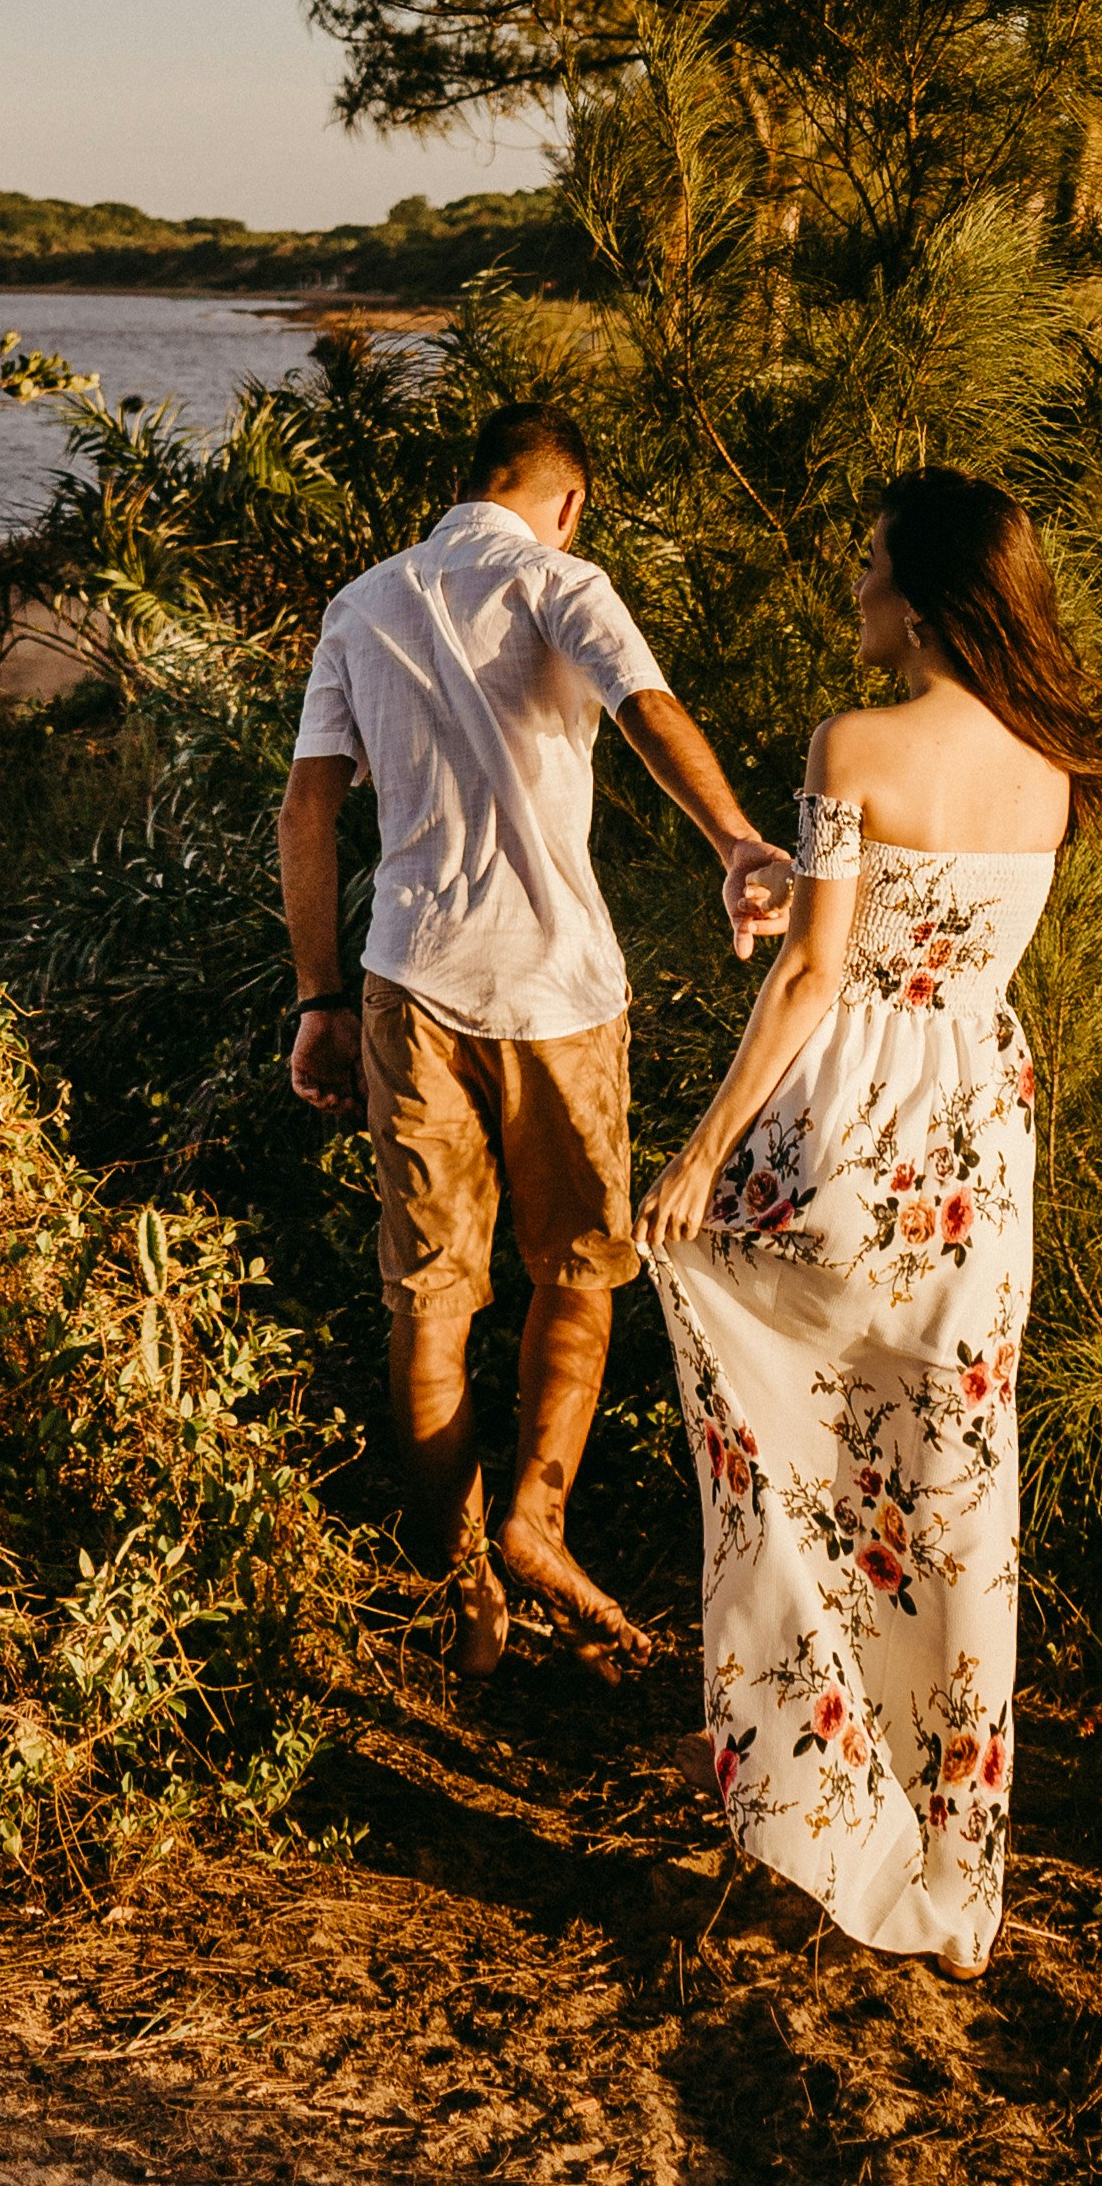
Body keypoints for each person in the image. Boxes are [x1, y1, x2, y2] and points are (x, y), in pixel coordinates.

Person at [635, 468, 1102, 1972]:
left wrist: (703, 1152)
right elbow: (938, 921)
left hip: (846, 1126)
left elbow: (812, 981)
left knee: (776, 1428)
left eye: (865, 568)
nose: (851, 590)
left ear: (915, 598)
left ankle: (816, 1774)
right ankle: (944, 1852)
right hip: (979, 1137)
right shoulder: (1053, 757)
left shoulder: (851, 738)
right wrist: (803, 889)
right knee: (950, 1480)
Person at [280, 400, 787, 1669]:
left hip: (408, 981)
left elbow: (306, 809)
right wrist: (736, 842)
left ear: (477, 482)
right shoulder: (563, 578)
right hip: (561, 989)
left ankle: (459, 1586)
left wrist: (319, 998)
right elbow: (648, 710)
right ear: (570, 497)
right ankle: (538, 1522)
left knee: (431, 1293)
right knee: (579, 1265)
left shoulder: (363, 602)